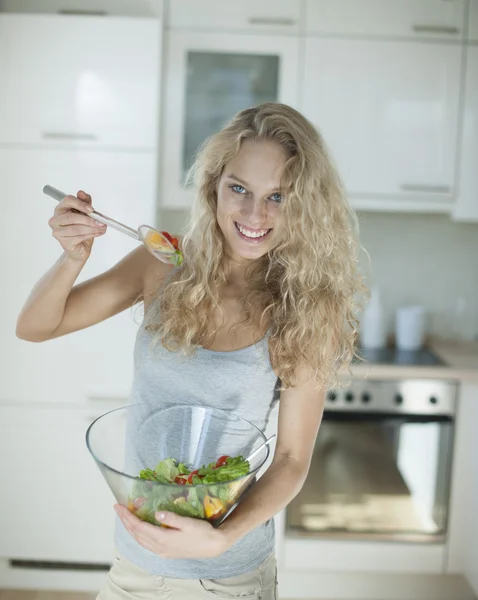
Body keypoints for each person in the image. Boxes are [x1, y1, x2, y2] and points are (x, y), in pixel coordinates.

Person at [16, 102, 365, 599]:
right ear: (214, 185)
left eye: (278, 197)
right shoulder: (161, 263)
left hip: (228, 575)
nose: (253, 214)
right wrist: (72, 258)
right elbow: (34, 327)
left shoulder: (306, 308)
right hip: (135, 566)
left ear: (305, 204)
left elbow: (290, 459)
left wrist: (222, 535)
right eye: (239, 189)